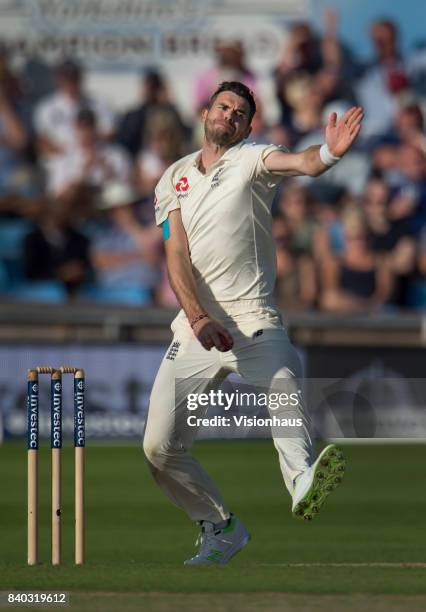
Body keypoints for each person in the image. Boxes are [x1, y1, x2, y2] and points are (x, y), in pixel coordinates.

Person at [143, 81, 363, 565]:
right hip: (197, 329)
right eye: (223, 106)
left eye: (240, 113)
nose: (230, 116)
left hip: (254, 318)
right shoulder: (173, 177)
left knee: (283, 385)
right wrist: (198, 318)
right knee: (160, 448)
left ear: (248, 126)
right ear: (206, 112)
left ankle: (302, 479)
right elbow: (175, 252)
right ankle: (220, 529)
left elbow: (302, 163)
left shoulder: (252, 160)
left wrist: (328, 152)